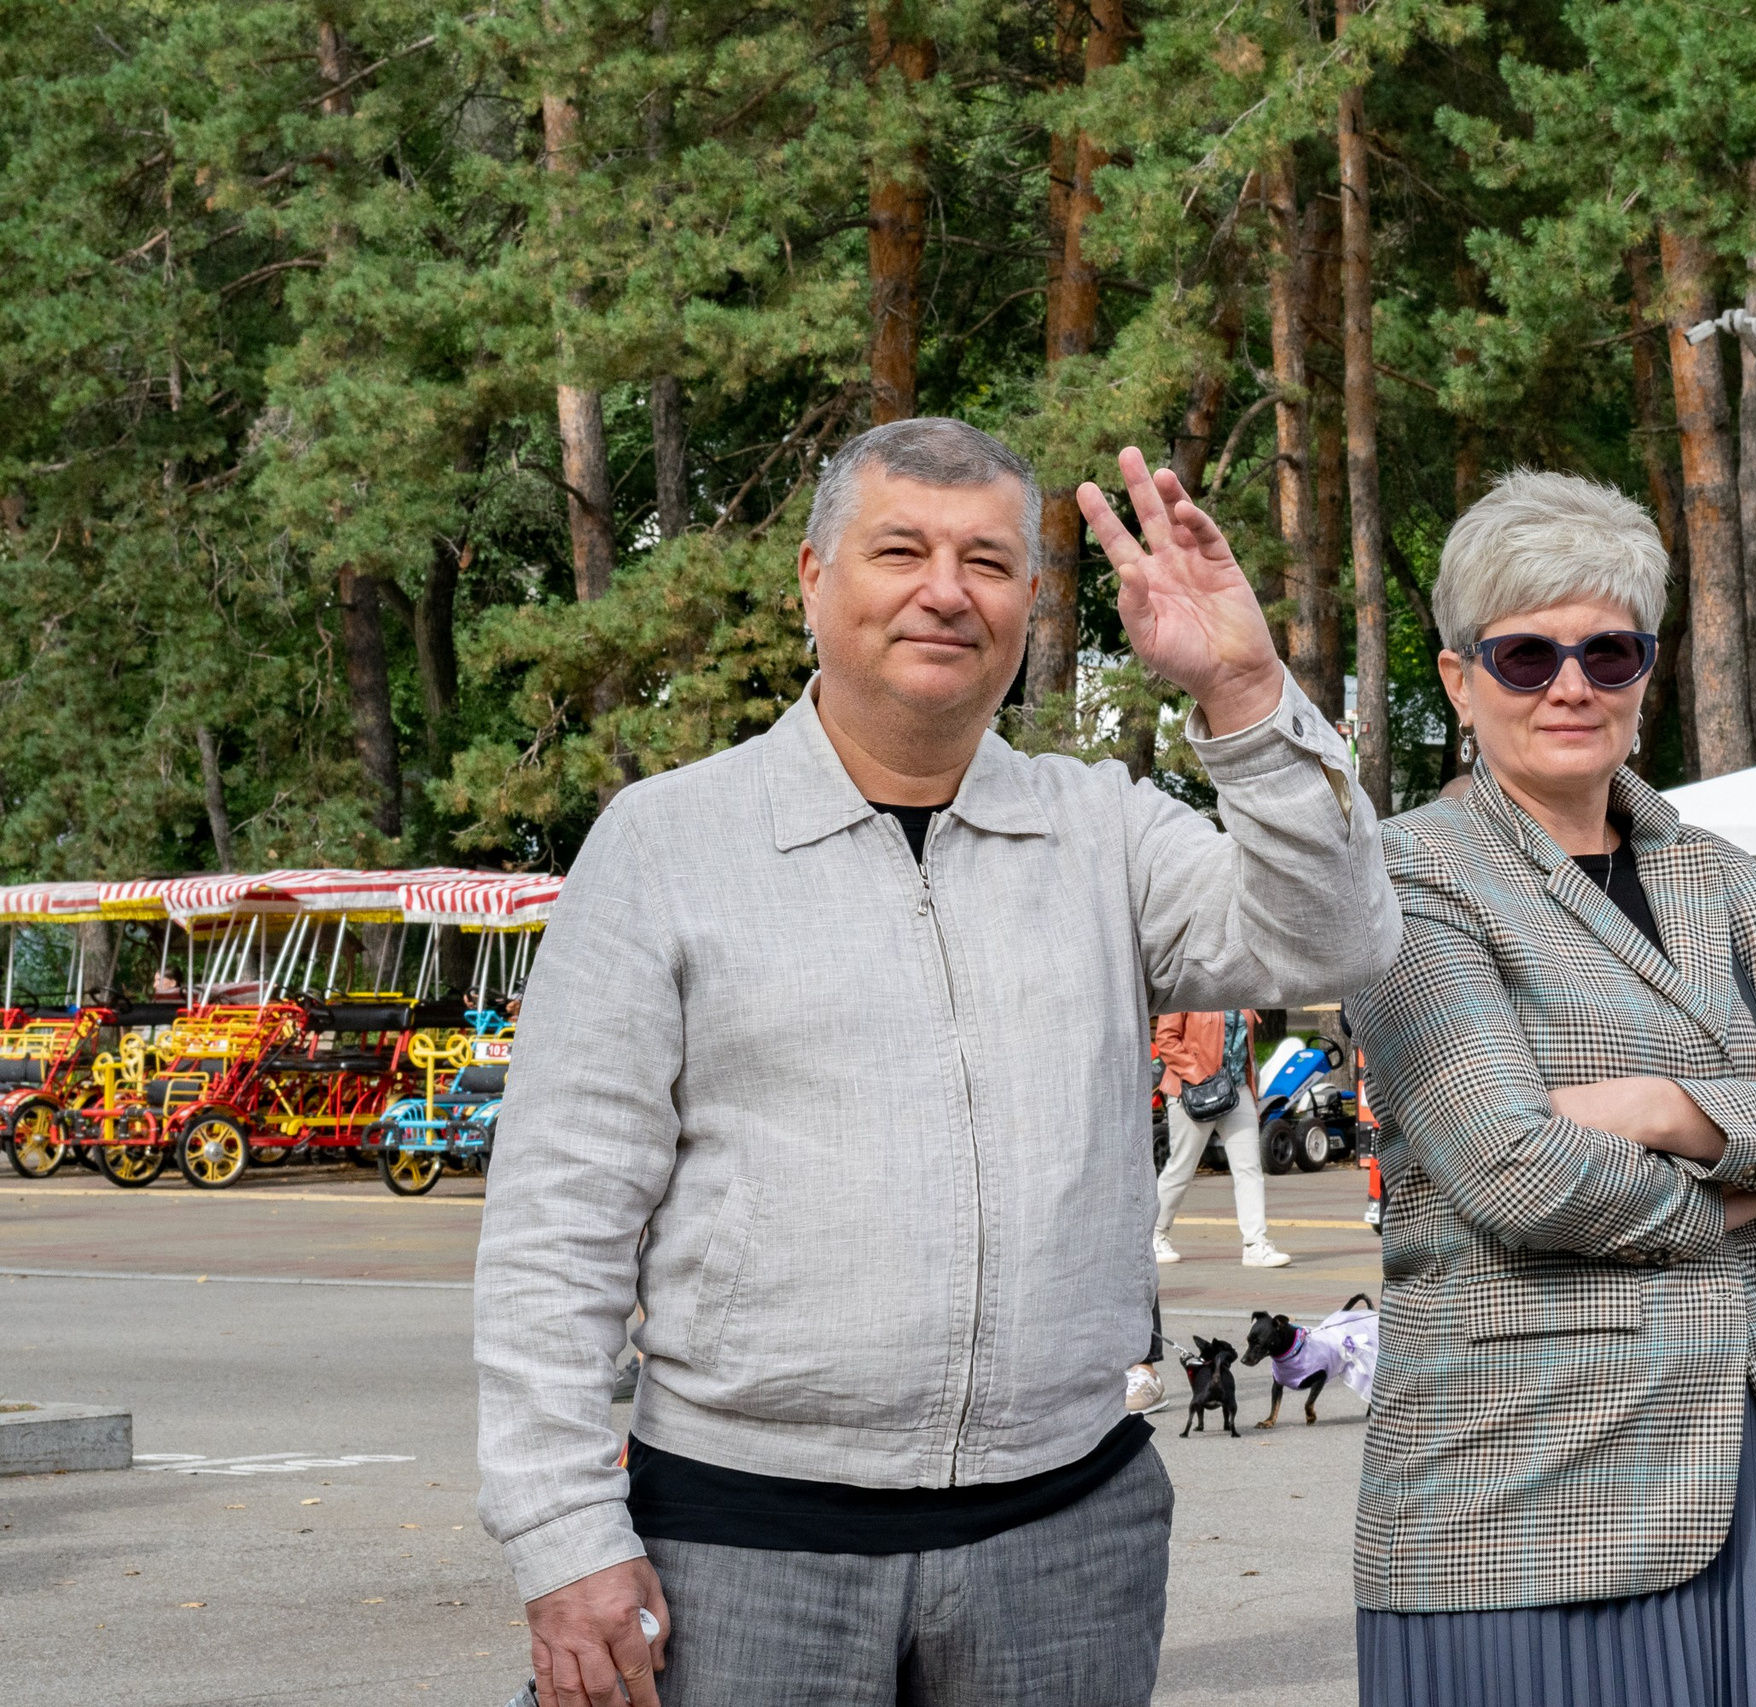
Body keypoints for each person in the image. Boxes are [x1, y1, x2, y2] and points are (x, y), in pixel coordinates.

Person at [474, 419, 1397, 1707]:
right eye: (900, 551)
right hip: (739, 1547)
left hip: (1064, 1545)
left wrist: (1243, 694)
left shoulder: (1104, 832)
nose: (946, 592)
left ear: (1029, 602)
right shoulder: (667, 845)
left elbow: (1337, 938)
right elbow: (556, 1223)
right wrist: (563, 1532)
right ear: (813, 579)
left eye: (987, 561)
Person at [1345, 470, 1756, 1707]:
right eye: (1525, 655)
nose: (1570, 686)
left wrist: (1664, 1107)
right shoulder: (1407, 874)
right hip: (1521, 1483)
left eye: (1608, 652)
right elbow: (1513, 1170)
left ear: (1647, 673)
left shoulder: (1714, 873)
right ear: (1456, 679)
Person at [1151, 1008, 1290, 1267]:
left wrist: (1252, 1089)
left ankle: (1255, 1244)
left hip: (1236, 1089)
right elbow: (1166, 1040)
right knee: (1181, 1168)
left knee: (1249, 1168)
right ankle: (1153, 1235)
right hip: (1194, 1089)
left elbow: (1245, 1048)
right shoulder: (1187, 989)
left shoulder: (1240, 991)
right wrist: (1199, 1076)